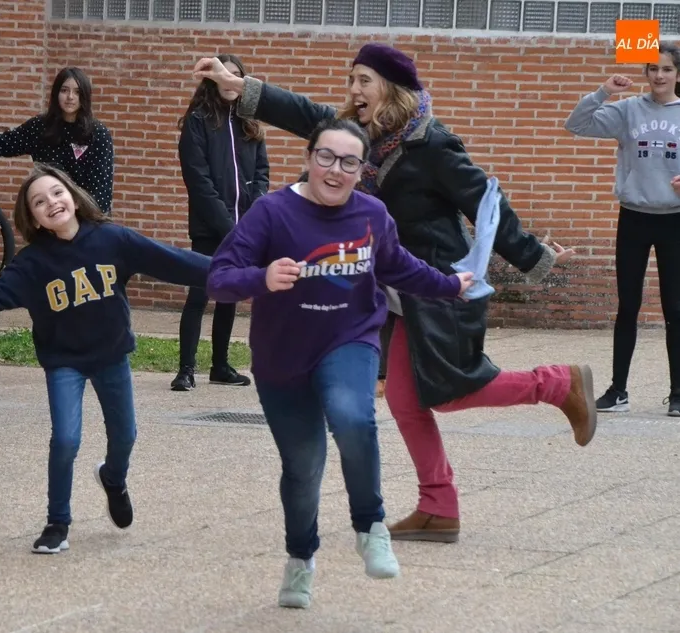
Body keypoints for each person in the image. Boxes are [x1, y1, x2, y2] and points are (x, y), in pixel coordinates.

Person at [193, 43, 597, 544]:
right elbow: (304, 113)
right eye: (352, 80)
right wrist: (239, 88)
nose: (354, 90)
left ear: (392, 88)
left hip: (442, 287)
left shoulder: (433, 144)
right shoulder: (360, 135)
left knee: (451, 392)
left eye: (365, 80)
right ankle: (438, 507)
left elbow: (485, 202)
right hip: (399, 293)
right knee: (405, 399)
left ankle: (557, 384)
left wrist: (534, 256)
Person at [208, 118, 475, 608]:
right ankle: (300, 559)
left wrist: (449, 285)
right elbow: (219, 278)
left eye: (349, 162)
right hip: (282, 358)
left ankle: (371, 527)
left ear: (361, 169)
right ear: (309, 158)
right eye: (326, 157)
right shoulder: (271, 212)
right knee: (303, 468)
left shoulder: (372, 214)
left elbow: (398, 266)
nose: (335, 170)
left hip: (349, 340)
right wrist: (261, 277)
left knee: (353, 416)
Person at [0, 163, 210, 554]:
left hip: (111, 356)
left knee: (125, 435)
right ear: (32, 218)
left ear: (72, 196)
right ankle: (57, 523)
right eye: (39, 202)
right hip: (64, 362)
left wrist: (232, 271)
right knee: (66, 439)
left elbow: (173, 261)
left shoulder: (112, 239)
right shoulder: (33, 263)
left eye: (57, 193)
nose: (51, 203)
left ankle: (113, 479)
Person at [564, 45, 680, 416]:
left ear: (677, 74)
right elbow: (576, 125)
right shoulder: (628, 109)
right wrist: (604, 92)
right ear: (646, 72)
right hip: (633, 217)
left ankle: (678, 395)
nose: (659, 75)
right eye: (653, 68)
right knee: (627, 306)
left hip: (675, 220)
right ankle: (618, 392)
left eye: (667, 69)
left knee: (675, 308)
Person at [171, 53, 269, 392]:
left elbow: (261, 172)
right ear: (213, 79)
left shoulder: (250, 123)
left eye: (236, 74)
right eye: (224, 73)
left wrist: (253, 216)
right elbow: (199, 182)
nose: (229, 79)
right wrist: (229, 228)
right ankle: (186, 369)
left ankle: (220, 366)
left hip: (243, 226)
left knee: (229, 295)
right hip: (210, 228)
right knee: (199, 295)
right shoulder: (198, 122)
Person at [0, 67, 116, 214]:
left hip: (86, 218)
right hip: (49, 214)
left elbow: (101, 191)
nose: (70, 96)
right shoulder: (41, 127)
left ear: (84, 96)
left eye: (77, 92)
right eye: (64, 90)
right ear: (56, 93)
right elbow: (3, 143)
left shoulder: (98, 134)